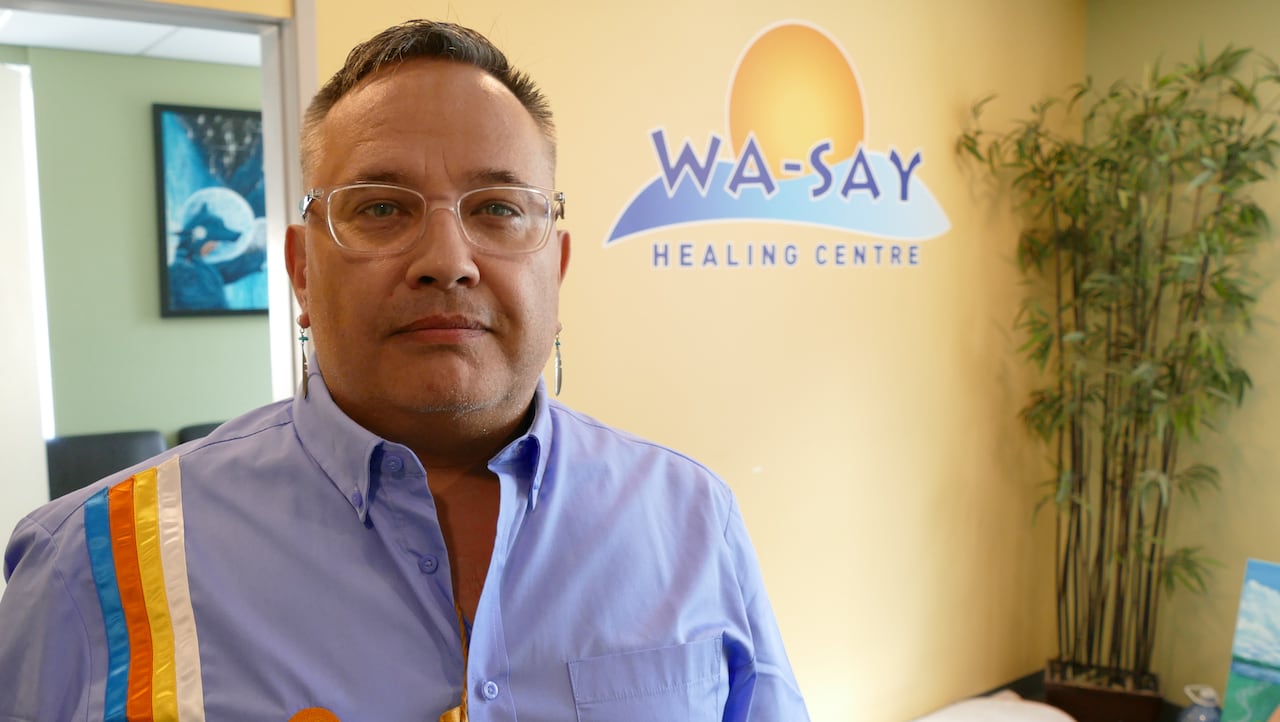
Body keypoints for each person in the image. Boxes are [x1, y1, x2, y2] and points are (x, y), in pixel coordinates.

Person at [0, 19, 809, 722]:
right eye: (382, 207)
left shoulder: (693, 521)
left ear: (555, 272)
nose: (447, 261)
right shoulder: (90, 563)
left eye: (497, 208)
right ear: (302, 274)